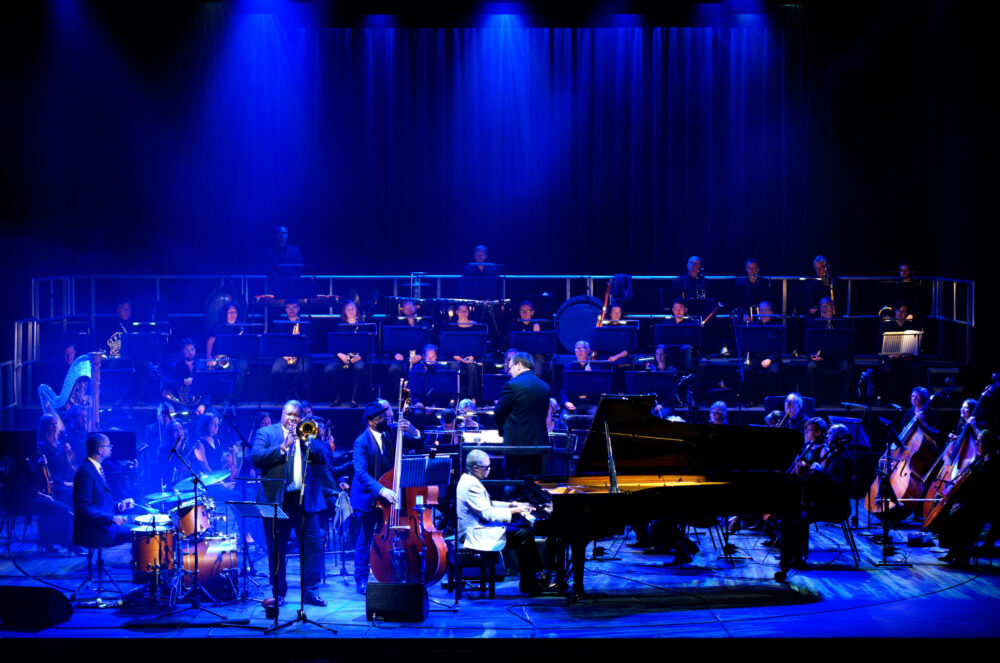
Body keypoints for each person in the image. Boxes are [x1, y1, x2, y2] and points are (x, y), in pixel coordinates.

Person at [251, 400, 329, 608]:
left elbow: (323, 457)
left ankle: (310, 593)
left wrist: (306, 440)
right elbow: (256, 457)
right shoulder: (267, 433)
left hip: (305, 501)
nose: (293, 418)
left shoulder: (308, 433)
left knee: (313, 547)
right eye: (289, 414)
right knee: (277, 549)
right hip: (277, 500)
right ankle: (278, 594)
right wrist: (282, 448)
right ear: (282, 414)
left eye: (297, 415)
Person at [457, 449, 544, 595]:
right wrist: (515, 511)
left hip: (479, 527)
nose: (489, 470)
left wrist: (513, 505)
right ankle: (530, 583)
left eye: (489, 466)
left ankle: (532, 578)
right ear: (475, 468)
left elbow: (488, 504)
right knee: (524, 534)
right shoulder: (472, 486)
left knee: (523, 529)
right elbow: (488, 513)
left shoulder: (469, 480)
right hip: (475, 533)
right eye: (486, 467)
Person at [775, 423, 856, 579]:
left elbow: (839, 486)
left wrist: (821, 471)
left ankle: (797, 559)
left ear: (839, 437)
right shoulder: (834, 454)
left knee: (799, 519)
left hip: (835, 506)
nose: (827, 436)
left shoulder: (845, 460)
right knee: (790, 517)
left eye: (831, 433)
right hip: (823, 501)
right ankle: (790, 557)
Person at [494, 352, 551, 484]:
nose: (509, 371)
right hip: (539, 445)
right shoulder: (544, 387)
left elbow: (498, 412)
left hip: (516, 446)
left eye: (510, 367)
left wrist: (502, 431)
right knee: (535, 488)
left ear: (518, 365)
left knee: (516, 486)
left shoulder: (512, 385)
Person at [73, 433, 135, 549]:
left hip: (102, 524)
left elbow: (99, 502)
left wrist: (120, 505)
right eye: (108, 446)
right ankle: (143, 565)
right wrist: (112, 518)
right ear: (99, 450)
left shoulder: (95, 468)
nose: (111, 448)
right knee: (140, 533)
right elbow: (83, 508)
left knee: (138, 523)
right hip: (96, 530)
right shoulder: (86, 472)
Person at [805, 297, 851, 404]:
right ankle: (814, 400)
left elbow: (848, 344)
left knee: (848, 368)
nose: (825, 309)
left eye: (827, 306)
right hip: (820, 359)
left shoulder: (842, 323)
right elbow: (808, 346)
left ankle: (844, 400)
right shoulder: (815, 323)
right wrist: (812, 355)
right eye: (822, 306)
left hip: (838, 358)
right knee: (811, 367)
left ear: (833, 307)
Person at [325, 300, 367, 407]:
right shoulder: (340, 326)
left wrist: (360, 356)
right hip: (343, 358)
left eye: (353, 309)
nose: (351, 311)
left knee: (359, 368)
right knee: (329, 370)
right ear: (344, 311)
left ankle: (354, 399)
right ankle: (336, 397)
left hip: (358, 358)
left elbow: (369, 345)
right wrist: (339, 354)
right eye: (349, 309)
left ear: (356, 310)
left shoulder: (363, 326)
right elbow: (334, 345)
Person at [206, 303, 250, 403]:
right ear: (225, 314)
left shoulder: (240, 327)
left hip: (239, 356)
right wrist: (209, 356)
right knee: (230, 369)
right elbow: (210, 341)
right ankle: (228, 397)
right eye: (230, 312)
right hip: (223, 357)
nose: (232, 314)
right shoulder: (219, 326)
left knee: (243, 366)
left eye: (234, 312)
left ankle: (235, 398)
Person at [270, 298, 311, 400]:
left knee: (304, 370)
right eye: (289, 308)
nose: (291, 310)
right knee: (275, 371)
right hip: (284, 356)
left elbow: (313, 342)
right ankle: (289, 392)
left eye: (294, 308)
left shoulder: (306, 324)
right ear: (285, 309)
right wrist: (284, 355)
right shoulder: (280, 324)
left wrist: (302, 342)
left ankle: (291, 394)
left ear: (299, 309)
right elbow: (275, 343)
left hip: (301, 355)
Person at [742, 300, 782, 404]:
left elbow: (779, 348)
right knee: (746, 369)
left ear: (771, 312)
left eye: (766, 310)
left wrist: (770, 359)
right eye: (761, 310)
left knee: (773, 372)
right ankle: (751, 399)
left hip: (772, 358)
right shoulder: (754, 325)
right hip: (756, 357)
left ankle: (768, 400)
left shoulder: (777, 327)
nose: (763, 312)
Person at [560, 340, 600, 416]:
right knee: (564, 416)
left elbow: (600, 388)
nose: (579, 351)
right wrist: (566, 401)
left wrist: (591, 375)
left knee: (597, 416)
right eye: (577, 349)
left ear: (588, 350)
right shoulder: (568, 367)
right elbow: (562, 388)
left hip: (591, 403)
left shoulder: (595, 367)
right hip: (574, 403)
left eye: (582, 348)